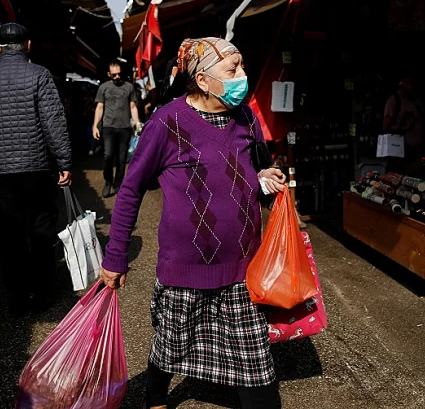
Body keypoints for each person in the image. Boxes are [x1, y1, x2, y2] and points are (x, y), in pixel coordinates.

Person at [100, 37, 286, 409]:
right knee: (170, 345)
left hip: (243, 270)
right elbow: (131, 189)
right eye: (233, 71)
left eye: (242, 67)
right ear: (202, 80)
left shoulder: (247, 117)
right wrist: (115, 257)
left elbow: (257, 170)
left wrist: (267, 177)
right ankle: (154, 396)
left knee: (257, 368)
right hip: (184, 270)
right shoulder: (165, 122)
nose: (243, 77)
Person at [0, 23, 72, 315]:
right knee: (41, 228)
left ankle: (16, 297)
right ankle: (40, 293)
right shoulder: (39, 74)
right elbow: (54, 122)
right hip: (37, 166)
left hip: (0, 170)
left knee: (10, 233)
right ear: (28, 45)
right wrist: (64, 162)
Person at [92, 61, 140, 198]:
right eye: (114, 75)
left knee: (121, 159)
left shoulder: (129, 87)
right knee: (108, 155)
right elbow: (100, 107)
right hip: (108, 127)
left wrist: (137, 123)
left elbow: (133, 107)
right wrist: (95, 125)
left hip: (124, 127)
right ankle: (108, 181)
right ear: (109, 74)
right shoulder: (103, 87)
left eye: (119, 74)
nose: (117, 76)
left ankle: (118, 183)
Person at [383, 72, 425, 163]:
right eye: (407, 83)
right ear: (401, 83)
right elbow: (386, 126)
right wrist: (403, 127)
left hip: (417, 148)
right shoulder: (394, 100)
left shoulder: (416, 101)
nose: (410, 87)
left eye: (412, 84)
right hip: (401, 149)